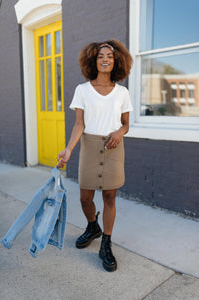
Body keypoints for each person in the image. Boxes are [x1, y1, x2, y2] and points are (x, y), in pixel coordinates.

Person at [57, 39, 133, 272]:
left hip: (113, 147)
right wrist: (69, 149)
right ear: (93, 60)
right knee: (85, 198)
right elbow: (79, 124)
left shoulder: (122, 92)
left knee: (110, 197)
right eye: (101, 56)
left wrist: (120, 133)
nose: (105, 60)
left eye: (109, 56)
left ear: (116, 61)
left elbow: (126, 125)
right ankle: (93, 227)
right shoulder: (82, 90)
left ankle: (106, 244)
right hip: (89, 146)